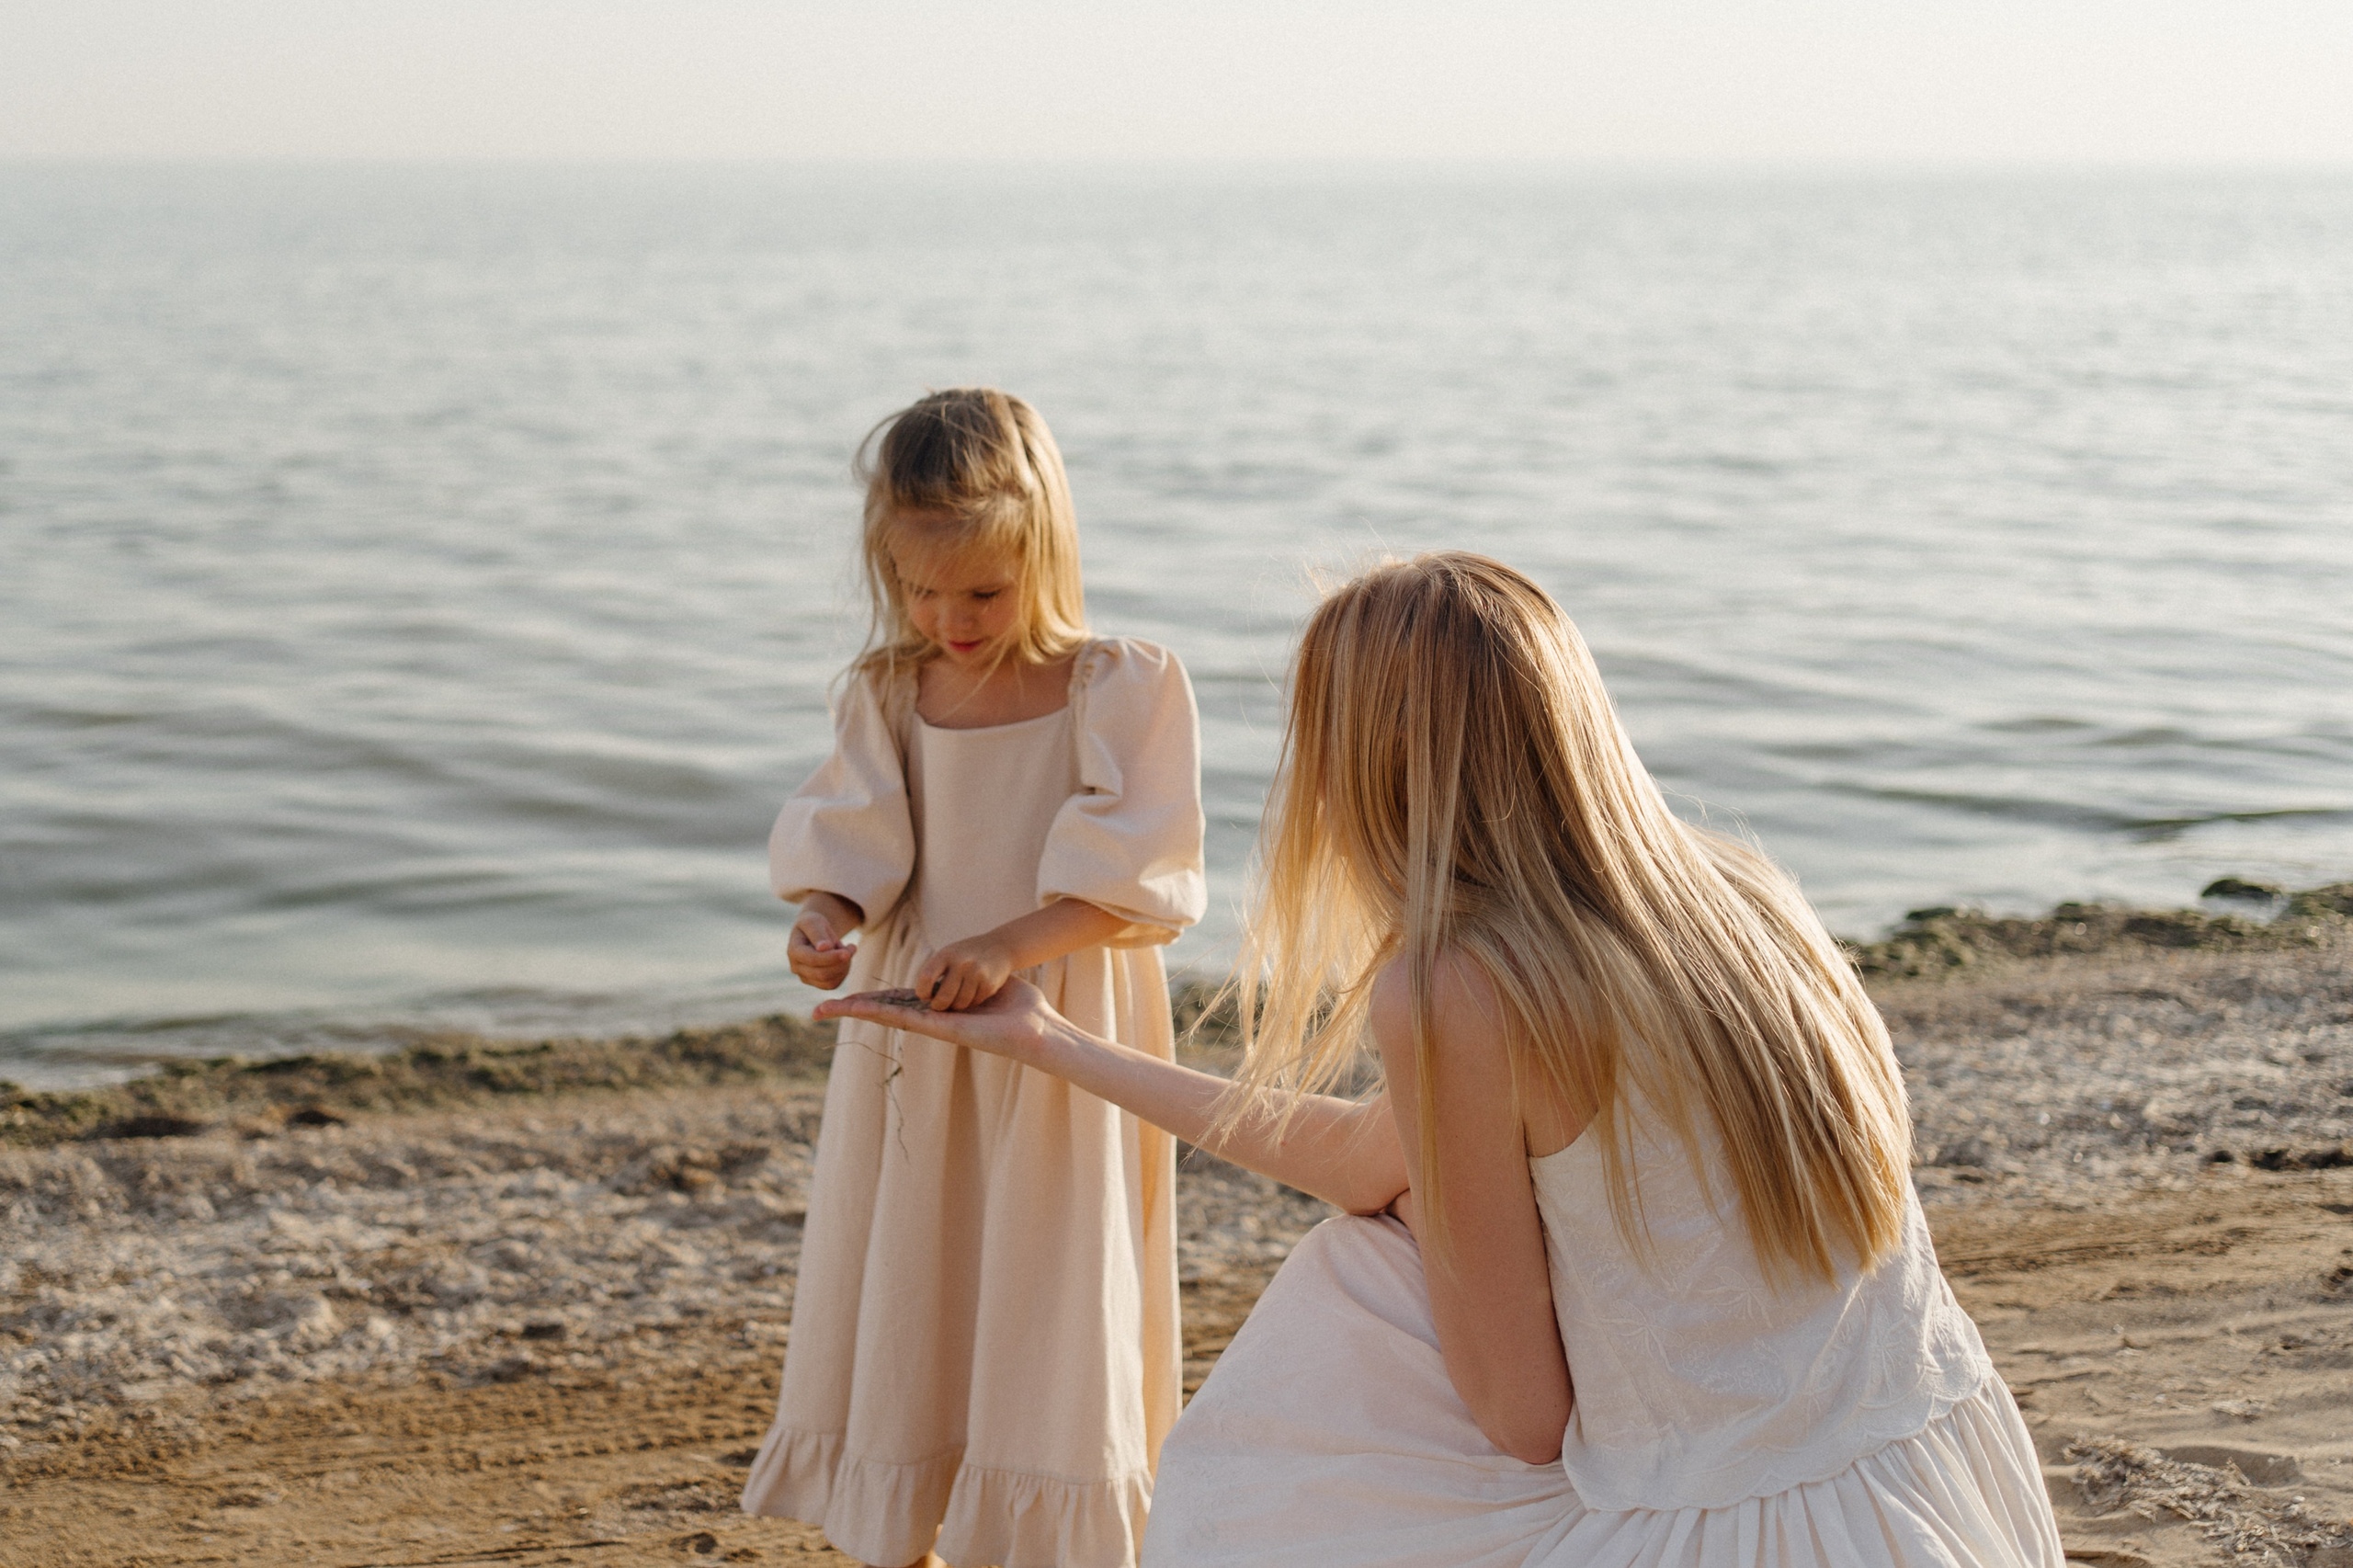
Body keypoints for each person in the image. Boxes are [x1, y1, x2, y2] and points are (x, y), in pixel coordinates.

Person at [819, 551, 2065, 1568]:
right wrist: (1048, 1040)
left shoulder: (1460, 985)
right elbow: (1373, 1153)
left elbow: (1523, 1422)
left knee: (1360, 1286)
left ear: (1367, 764)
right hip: (1928, 1477)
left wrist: (1424, 1231)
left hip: (1724, 1528)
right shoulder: (1743, 897)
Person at [742, 388, 1207, 1568]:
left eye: (983, 592)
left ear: (1045, 551)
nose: (949, 618)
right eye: (920, 589)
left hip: (1059, 1024)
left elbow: (1142, 879)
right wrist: (823, 913)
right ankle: (901, 1528)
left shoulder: (1120, 686)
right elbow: (854, 849)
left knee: (1051, 1270)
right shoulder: (890, 693)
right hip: (922, 1034)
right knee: (912, 1264)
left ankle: (1051, 1535)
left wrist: (1010, 944)